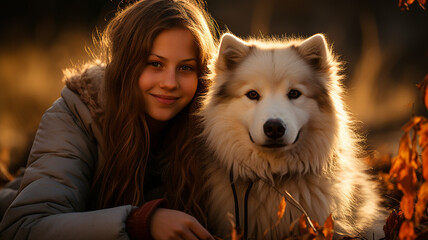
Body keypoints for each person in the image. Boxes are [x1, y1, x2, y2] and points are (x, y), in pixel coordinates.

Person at [0, 0, 218, 239]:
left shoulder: (210, 129)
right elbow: (24, 227)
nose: (169, 83)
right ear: (125, 65)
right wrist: (138, 222)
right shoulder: (77, 115)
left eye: (186, 68)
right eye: (155, 64)